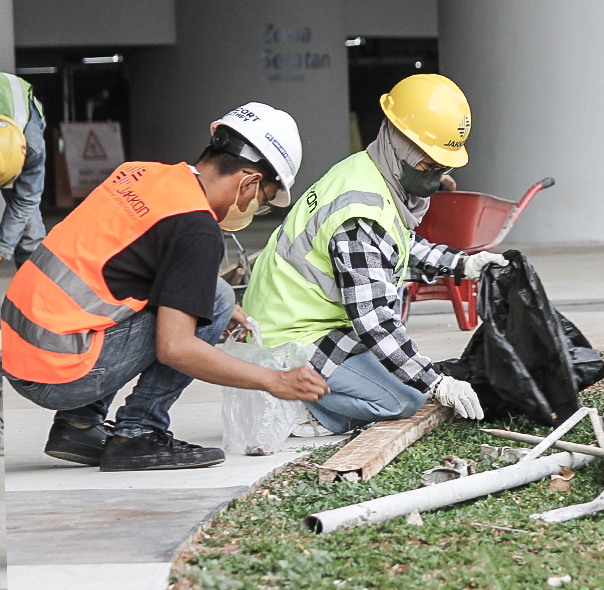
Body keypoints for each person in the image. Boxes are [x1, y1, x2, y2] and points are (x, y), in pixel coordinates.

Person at [1, 102, 329, 471]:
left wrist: (199, 293)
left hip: (18, 352)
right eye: (263, 200)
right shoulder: (198, 228)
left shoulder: (138, 173)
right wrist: (274, 380)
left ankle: (79, 425)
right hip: (58, 375)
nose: (254, 206)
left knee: (206, 295)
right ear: (249, 181)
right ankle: (138, 433)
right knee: (217, 297)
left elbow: (124, 265)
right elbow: (176, 349)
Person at [243, 74, 506, 435]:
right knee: (403, 398)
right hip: (286, 343)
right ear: (399, 142)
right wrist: (434, 383)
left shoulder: (370, 173)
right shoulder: (360, 213)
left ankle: (321, 391)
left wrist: (463, 264)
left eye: (442, 166)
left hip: (311, 326)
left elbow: (394, 242)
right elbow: (373, 320)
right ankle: (298, 407)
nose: (434, 176)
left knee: (401, 368)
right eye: (428, 166)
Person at [0, 73, 47, 267]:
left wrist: (2, 248)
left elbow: (25, 199)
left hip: (26, 119)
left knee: (29, 228)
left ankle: (34, 279)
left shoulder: (32, 148)